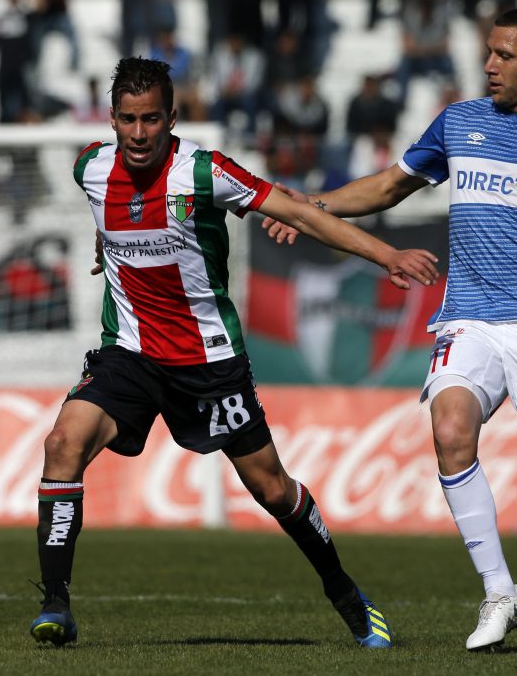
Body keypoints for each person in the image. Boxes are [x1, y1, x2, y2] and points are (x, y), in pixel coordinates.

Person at [29, 57, 441, 649]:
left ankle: (348, 596)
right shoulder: (90, 168)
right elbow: (111, 214)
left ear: (171, 118)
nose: (140, 133)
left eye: (151, 120)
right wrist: (106, 242)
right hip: (130, 353)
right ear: (112, 120)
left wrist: (387, 256)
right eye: (128, 120)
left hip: (208, 361)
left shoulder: (204, 170)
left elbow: (298, 212)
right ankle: (56, 607)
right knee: (62, 443)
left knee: (272, 489)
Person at [264, 8, 517, 656]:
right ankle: (500, 591)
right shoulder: (459, 122)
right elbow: (388, 185)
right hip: (468, 315)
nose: (489, 65)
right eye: (488, 53)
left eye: (505, 56)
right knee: (450, 430)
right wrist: (311, 208)